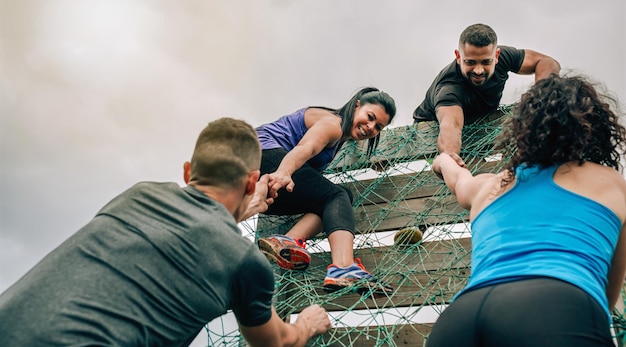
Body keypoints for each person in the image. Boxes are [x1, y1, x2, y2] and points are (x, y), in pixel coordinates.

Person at [0, 118, 331, 347]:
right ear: (250, 181)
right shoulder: (245, 262)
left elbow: (197, 222)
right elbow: (274, 342)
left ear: (188, 171)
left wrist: (240, 208)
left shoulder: (138, 194)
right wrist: (306, 324)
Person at [426, 74, 626, 347]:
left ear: (523, 129)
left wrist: (442, 160)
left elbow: (457, 177)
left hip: (461, 319)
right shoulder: (611, 182)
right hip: (556, 310)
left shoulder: (491, 185)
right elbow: (607, 289)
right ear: (592, 128)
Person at [255, 87, 396, 295]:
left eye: (378, 127)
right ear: (357, 105)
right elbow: (306, 148)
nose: (371, 127)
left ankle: (286, 242)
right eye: (370, 117)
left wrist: (374, 162)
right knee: (337, 195)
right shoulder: (333, 124)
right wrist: (284, 172)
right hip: (260, 157)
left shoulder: (342, 136)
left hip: (264, 182)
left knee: (334, 200)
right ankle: (344, 267)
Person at [413, 23, 561, 167]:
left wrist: (542, 94)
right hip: (433, 128)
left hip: (478, 119)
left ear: (496, 55)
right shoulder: (449, 89)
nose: (478, 70)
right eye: (470, 62)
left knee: (517, 156)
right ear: (458, 57)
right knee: (471, 171)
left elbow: (546, 61)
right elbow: (452, 127)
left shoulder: (504, 57)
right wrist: (449, 158)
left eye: (486, 62)